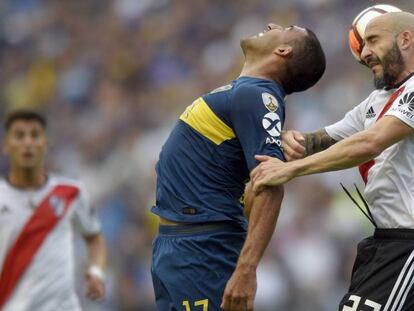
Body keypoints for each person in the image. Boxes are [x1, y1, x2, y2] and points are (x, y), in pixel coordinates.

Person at [151, 22, 326, 311]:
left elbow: (271, 184)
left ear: (283, 50)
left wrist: (246, 269)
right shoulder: (245, 93)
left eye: (286, 27)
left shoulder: (258, 95)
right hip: (178, 246)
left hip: (202, 250)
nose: (271, 25)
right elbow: (248, 187)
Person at [251, 12, 414, 310]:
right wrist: (288, 139)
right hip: (386, 243)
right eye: (363, 45)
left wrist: (290, 170)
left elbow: (371, 142)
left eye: (373, 41)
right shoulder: (377, 102)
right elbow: (317, 141)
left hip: (407, 246)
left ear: (405, 39)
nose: (364, 54)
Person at [0, 110, 107, 311]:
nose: (28, 142)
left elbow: (94, 238)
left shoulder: (71, 192)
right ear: (6, 145)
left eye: (35, 135)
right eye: (20, 135)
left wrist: (96, 271)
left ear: (45, 144)